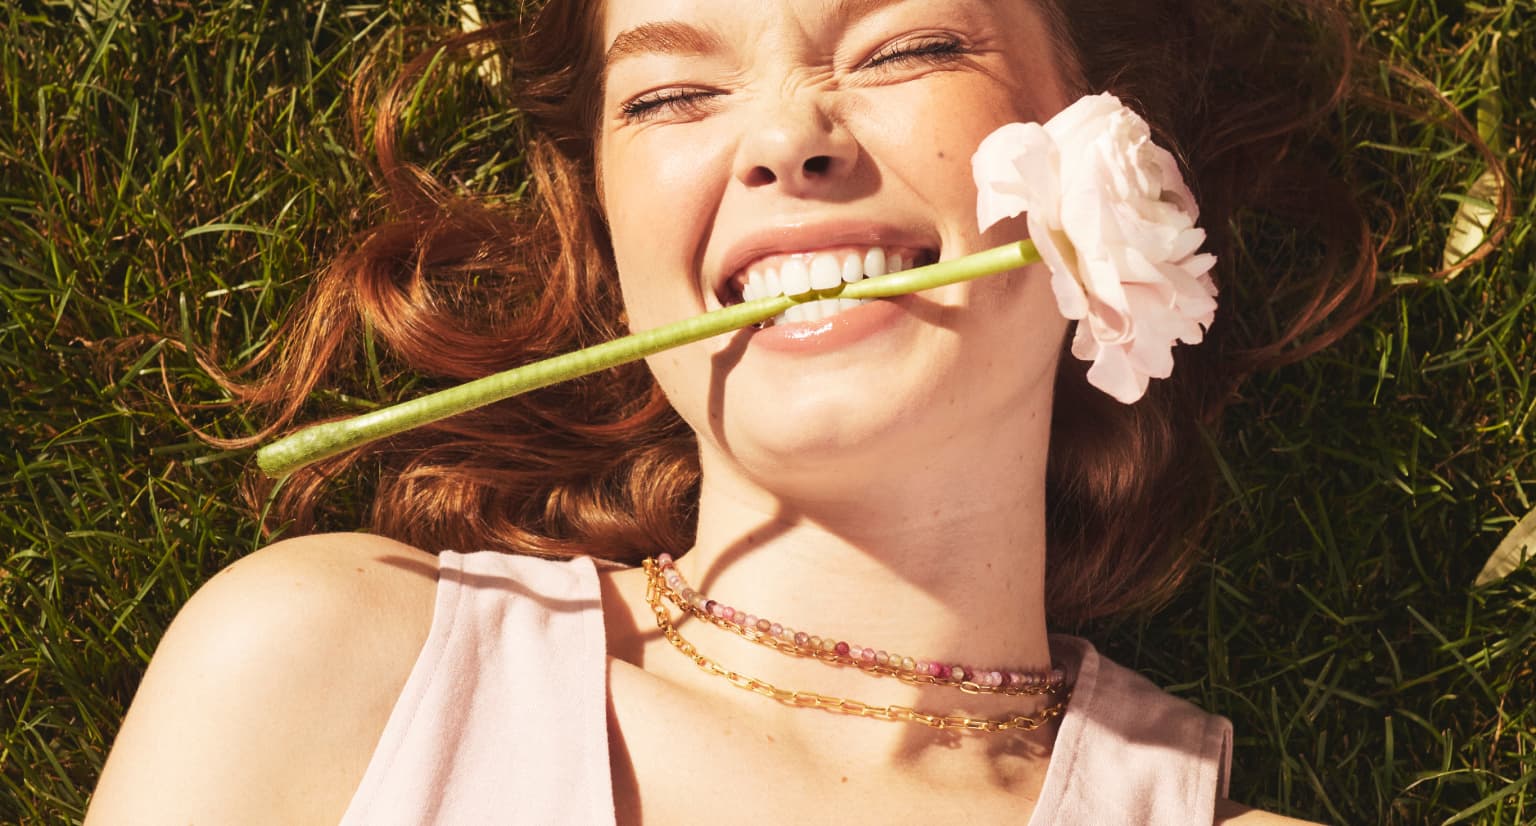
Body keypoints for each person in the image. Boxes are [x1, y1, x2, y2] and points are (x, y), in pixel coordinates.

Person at [87, 0, 1383, 822]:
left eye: (908, 45)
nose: (785, 137)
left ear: (1118, 147)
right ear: (609, 232)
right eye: (669, 94)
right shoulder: (325, 667)